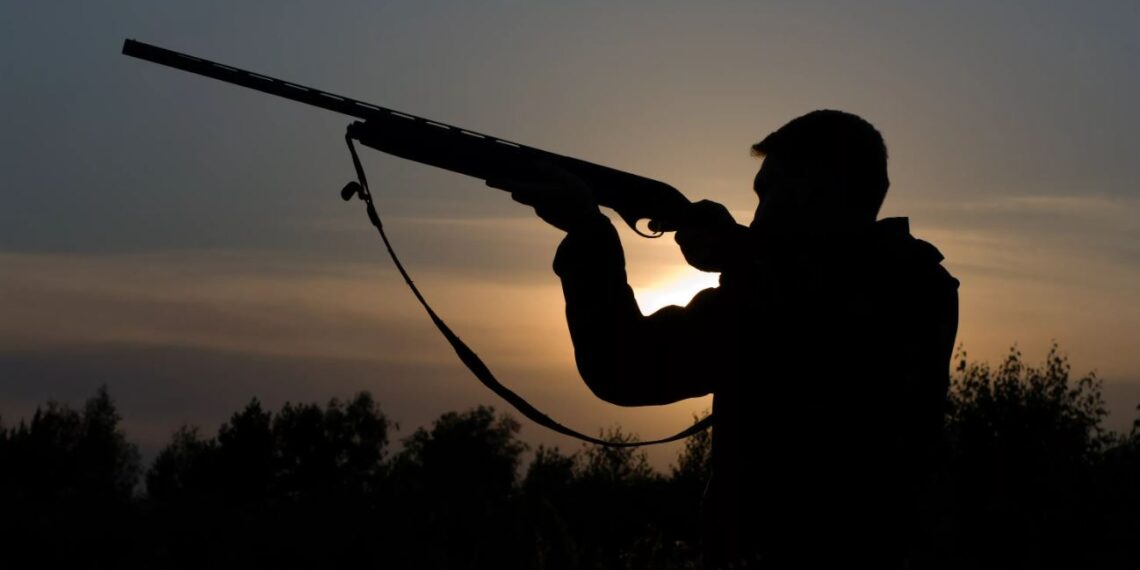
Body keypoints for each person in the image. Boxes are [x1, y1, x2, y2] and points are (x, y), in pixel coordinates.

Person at [491, 110, 959, 568]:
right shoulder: (919, 283)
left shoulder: (812, 295)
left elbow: (624, 367)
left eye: (769, 192)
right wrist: (740, 255)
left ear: (817, 191)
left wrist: (590, 234)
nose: (757, 215)